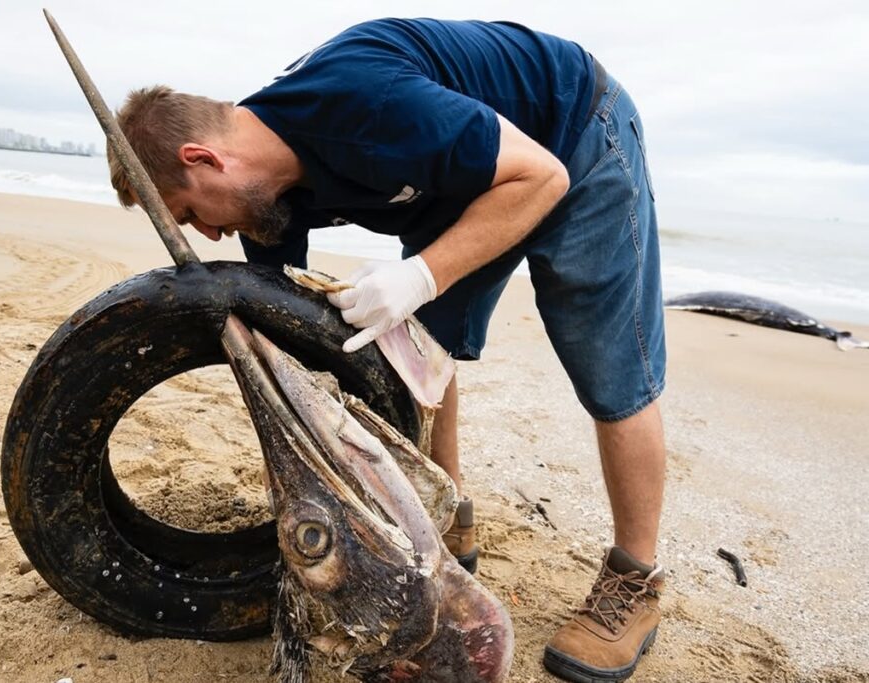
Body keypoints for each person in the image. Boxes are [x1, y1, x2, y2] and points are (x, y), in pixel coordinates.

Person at [109, 18, 666, 682]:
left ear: (203, 158)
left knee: (610, 370)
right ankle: (450, 515)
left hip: (573, 134)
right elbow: (290, 339)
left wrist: (421, 276)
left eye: (190, 212)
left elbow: (542, 176)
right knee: (419, 343)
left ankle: (635, 581)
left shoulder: (362, 104)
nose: (208, 234)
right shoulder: (269, 199)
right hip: (469, 176)